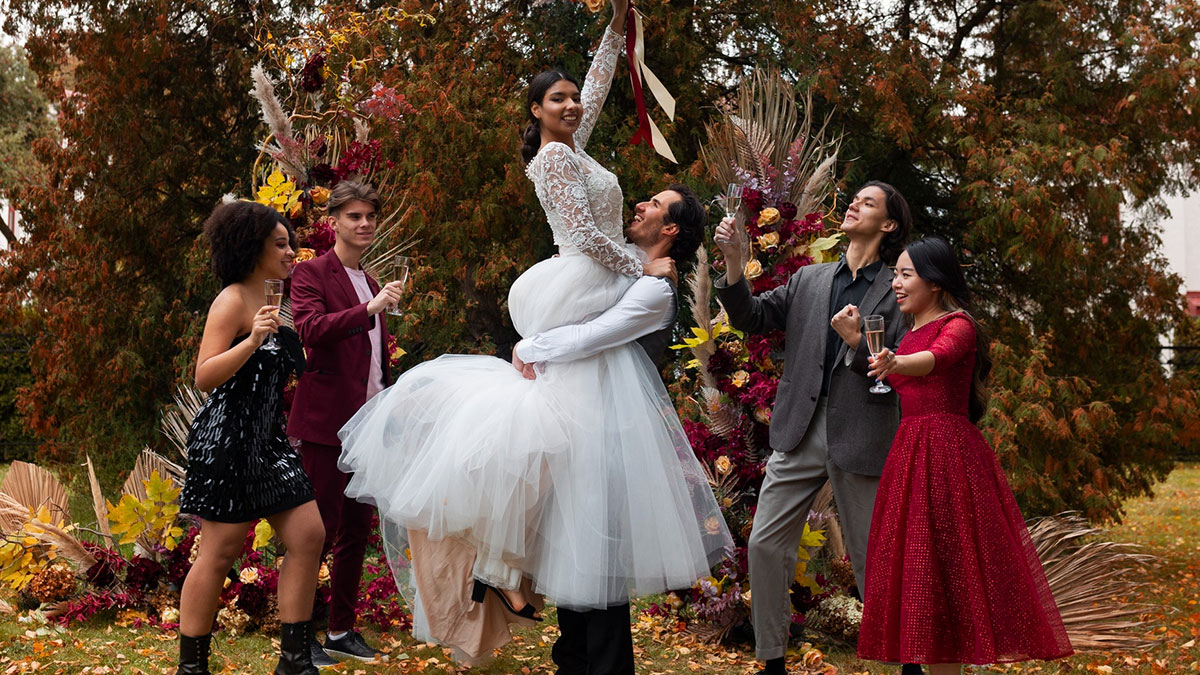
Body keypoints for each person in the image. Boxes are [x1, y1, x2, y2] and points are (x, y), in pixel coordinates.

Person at [337, 0, 730, 663]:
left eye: (575, 97)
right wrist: (634, 261)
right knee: (543, 436)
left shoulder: (575, 139)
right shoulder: (553, 160)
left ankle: (515, 578)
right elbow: (580, 233)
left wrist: (615, 31)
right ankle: (506, 570)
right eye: (559, 99)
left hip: (596, 282)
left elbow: (599, 87)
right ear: (538, 113)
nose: (573, 105)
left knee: (556, 445)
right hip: (584, 272)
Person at [712, 181, 911, 675]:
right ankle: (773, 661)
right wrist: (736, 262)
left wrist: (860, 342)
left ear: (887, 224)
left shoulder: (900, 287)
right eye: (855, 199)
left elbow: (902, 365)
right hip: (799, 428)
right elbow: (752, 318)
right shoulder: (810, 280)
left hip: (863, 431)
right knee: (764, 543)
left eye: (868, 203)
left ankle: (911, 662)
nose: (854, 205)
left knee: (872, 560)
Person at [513, 184, 707, 674]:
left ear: (670, 229)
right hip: (577, 424)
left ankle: (603, 665)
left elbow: (593, 337)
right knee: (575, 550)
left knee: (598, 558)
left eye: (654, 205)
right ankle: (573, 662)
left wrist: (531, 346)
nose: (639, 205)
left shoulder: (656, 290)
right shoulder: (630, 272)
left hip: (609, 434)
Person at [857, 236, 1073, 674]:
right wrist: (868, 348)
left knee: (951, 568)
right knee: (921, 568)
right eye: (895, 274)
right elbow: (902, 380)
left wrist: (895, 362)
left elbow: (937, 360)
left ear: (934, 282)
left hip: (949, 456)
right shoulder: (910, 331)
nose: (895, 283)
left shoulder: (959, 325)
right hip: (911, 454)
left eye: (905, 274)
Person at [177, 200, 325, 675]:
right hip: (229, 445)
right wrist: (251, 340)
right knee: (219, 553)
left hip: (270, 443)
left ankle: (294, 662)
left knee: (308, 535)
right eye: (280, 244)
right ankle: (192, 668)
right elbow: (203, 377)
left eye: (291, 244)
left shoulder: (274, 299)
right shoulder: (233, 299)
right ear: (252, 248)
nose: (291, 252)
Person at [287, 180, 406, 664]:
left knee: (357, 529)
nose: (364, 224)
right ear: (332, 222)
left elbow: (373, 358)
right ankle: (300, 636)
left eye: (370, 217)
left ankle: (340, 631)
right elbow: (310, 330)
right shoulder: (311, 273)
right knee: (318, 531)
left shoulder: (372, 281)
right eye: (354, 216)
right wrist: (368, 310)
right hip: (327, 423)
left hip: (371, 423)